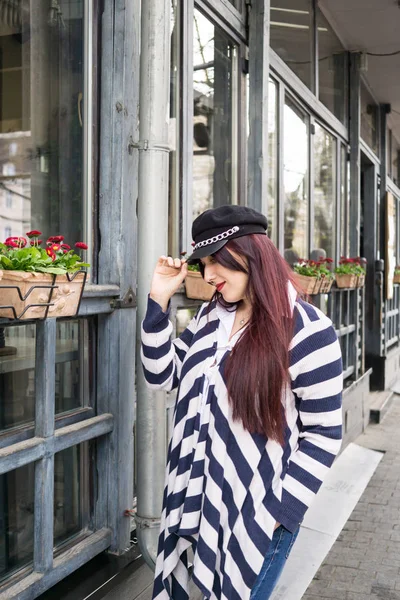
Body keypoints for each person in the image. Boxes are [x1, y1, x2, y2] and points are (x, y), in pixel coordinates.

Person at [141, 205, 343, 600]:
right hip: (197, 499)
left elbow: (324, 433)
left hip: (261, 514)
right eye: (203, 263)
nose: (209, 274)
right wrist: (157, 300)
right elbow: (162, 377)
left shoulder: (307, 330)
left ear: (251, 253)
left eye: (218, 260)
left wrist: (281, 514)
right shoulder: (208, 319)